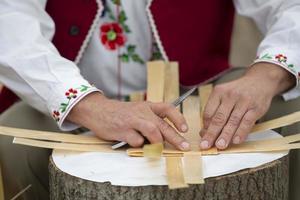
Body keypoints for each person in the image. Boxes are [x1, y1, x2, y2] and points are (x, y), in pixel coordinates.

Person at [0, 0, 299, 199]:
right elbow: (9, 19)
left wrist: (268, 75)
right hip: (78, 97)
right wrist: (86, 105)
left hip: (197, 91)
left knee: (296, 115)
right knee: (12, 139)